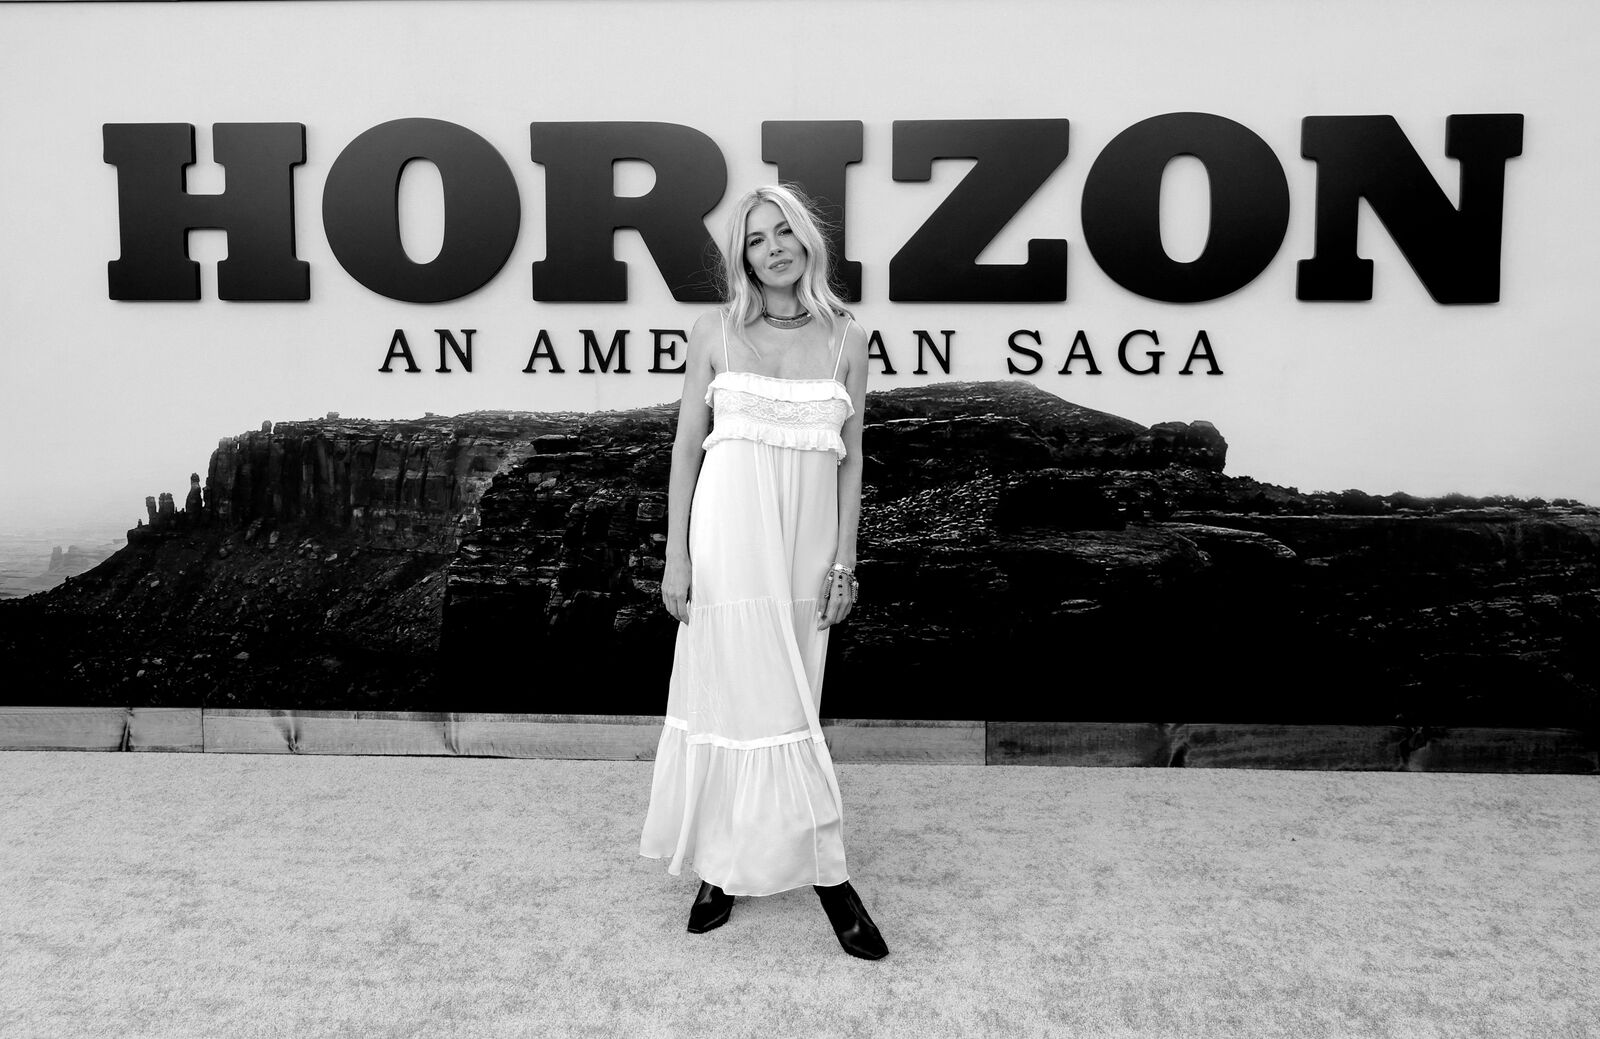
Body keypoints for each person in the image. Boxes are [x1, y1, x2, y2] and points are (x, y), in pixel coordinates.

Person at [638, 184, 887, 960]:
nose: (773, 247)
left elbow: (851, 462)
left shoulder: (848, 339)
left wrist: (845, 561)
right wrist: (677, 555)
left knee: (791, 705)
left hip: (806, 550)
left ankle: (781, 861)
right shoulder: (713, 331)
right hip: (727, 539)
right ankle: (770, 873)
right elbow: (687, 447)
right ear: (741, 258)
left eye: (783, 232)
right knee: (731, 698)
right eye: (755, 239)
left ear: (807, 240)